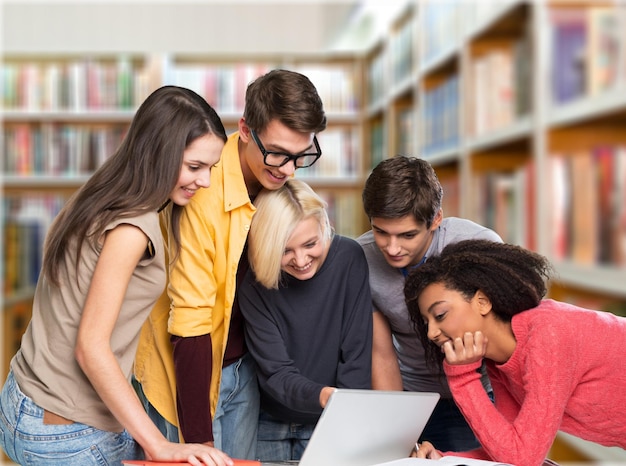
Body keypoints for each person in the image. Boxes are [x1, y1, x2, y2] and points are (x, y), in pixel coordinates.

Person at [0, 85, 233, 465]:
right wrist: (159, 444)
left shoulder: (102, 190)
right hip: (68, 429)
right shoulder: (132, 227)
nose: (204, 181)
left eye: (211, 168)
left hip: (21, 399)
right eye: (194, 167)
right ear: (159, 153)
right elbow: (90, 347)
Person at [133, 69, 327, 460]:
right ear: (245, 128)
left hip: (242, 370)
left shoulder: (278, 181)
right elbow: (190, 322)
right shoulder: (202, 191)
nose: (288, 170)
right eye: (276, 153)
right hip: (184, 373)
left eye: (300, 156)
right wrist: (199, 440)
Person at [406, 239, 626, 465]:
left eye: (440, 315)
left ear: (482, 302)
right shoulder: (500, 363)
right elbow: (508, 450)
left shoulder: (547, 334)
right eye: (426, 323)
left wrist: (462, 378)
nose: (432, 333)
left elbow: (523, 459)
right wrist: (443, 458)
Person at [356, 155, 502, 451]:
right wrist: (397, 428)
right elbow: (381, 353)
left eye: (407, 235)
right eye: (381, 232)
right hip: (413, 398)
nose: (392, 248)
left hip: (481, 391)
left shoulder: (479, 247)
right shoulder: (360, 258)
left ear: (436, 219)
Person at [238, 179, 373, 462]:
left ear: (325, 225)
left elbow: (357, 357)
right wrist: (325, 396)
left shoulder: (349, 259)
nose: (300, 260)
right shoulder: (253, 282)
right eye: (285, 250)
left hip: (331, 420)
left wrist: (343, 413)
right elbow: (275, 372)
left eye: (311, 244)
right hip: (268, 422)